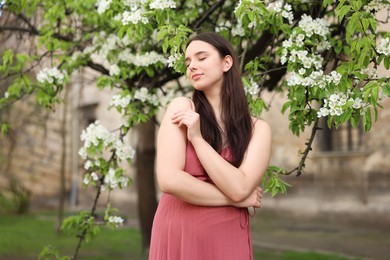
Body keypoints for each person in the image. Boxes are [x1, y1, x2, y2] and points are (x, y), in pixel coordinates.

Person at [149, 32, 272, 260]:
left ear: (226, 62)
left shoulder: (258, 130)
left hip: (227, 234)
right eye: (188, 62)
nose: (192, 66)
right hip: (178, 230)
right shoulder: (181, 108)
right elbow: (169, 180)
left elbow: (240, 187)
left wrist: (197, 139)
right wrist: (236, 200)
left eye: (201, 58)